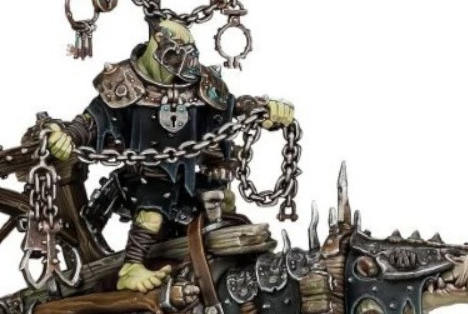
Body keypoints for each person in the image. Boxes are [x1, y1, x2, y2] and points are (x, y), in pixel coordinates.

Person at [43, 18, 294, 291]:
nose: (181, 66)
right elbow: (94, 120)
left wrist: (262, 110)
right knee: (152, 213)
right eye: (176, 55)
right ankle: (131, 267)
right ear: (158, 47)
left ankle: (217, 261)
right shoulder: (122, 81)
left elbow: (230, 107)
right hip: (143, 178)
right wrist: (68, 136)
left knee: (223, 202)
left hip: (188, 177)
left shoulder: (200, 82)